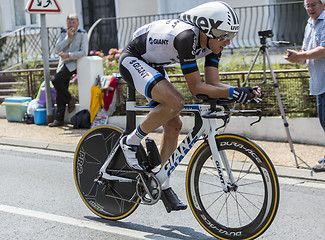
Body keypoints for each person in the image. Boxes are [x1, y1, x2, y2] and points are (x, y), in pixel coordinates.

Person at [118, 1, 263, 212]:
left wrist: (241, 90)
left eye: (230, 36)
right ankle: (130, 141)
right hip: (133, 59)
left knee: (174, 125)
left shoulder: (214, 44)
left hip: (154, 65)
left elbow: (213, 84)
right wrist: (233, 93)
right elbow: (196, 88)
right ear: (207, 29)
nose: (228, 42)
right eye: (224, 35)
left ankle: (161, 182)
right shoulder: (186, 37)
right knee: (176, 102)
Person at [284, 0, 325, 172]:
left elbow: (324, 49)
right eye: (307, 5)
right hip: (319, 82)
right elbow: (305, 54)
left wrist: (303, 55)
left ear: (323, 5)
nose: (310, 9)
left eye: (313, 4)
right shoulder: (310, 24)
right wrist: (296, 58)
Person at [48, 14, 88, 127]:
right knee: (61, 89)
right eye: (69, 22)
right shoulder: (63, 32)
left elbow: (84, 52)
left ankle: (70, 99)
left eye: (73, 22)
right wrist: (68, 38)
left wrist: (69, 55)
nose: (71, 25)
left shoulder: (83, 33)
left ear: (77, 23)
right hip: (63, 64)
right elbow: (57, 48)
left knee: (56, 80)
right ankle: (59, 119)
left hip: (74, 64)